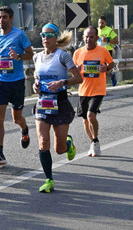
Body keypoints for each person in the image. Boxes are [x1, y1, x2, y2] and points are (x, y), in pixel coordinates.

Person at [32, 23, 82, 193]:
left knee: (59, 149)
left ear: (56, 37)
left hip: (60, 103)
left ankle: (68, 143)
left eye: (49, 35)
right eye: (43, 35)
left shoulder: (63, 56)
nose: (45, 38)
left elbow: (78, 78)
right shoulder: (37, 57)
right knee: (43, 141)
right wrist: (36, 83)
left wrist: (63, 82)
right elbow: (36, 73)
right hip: (43, 102)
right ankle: (49, 179)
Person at [0, 6, 33, 165]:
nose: (1, 20)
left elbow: (30, 54)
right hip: (0, 81)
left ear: (11, 18)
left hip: (16, 82)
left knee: (16, 118)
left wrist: (18, 56)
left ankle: (25, 129)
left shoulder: (19, 34)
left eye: (5, 17)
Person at [73, 26, 115, 157]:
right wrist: (77, 69)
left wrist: (106, 68)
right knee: (85, 120)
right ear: (83, 37)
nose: (88, 39)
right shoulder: (78, 53)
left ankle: (96, 140)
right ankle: (92, 142)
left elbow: (111, 64)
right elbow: (73, 70)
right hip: (83, 90)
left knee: (91, 116)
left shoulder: (102, 51)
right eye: (86, 36)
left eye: (91, 37)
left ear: (97, 38)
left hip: (98, 89)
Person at [97, 16, 118, 86]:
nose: (100, 24)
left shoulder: (109, 30)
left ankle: (110, 76)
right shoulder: (96, 31)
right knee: (99, 68)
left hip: (107, 51)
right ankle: (110, 76)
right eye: (99, 23)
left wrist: (108, 40)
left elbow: (116, 41)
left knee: (104, 68)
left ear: (105, 23)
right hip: (98, 52)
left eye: (102, 23)